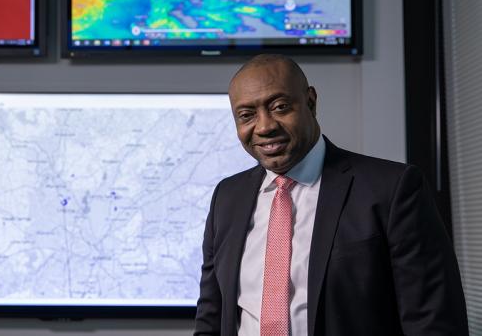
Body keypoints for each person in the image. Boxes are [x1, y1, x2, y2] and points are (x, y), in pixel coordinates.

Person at [194, 54, 467, 336]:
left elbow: (433, 322)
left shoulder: (393, 189)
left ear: (310, 102)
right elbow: (211, 318)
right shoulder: (227, 197)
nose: (264, 127)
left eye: (280, 107)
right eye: (246, 115)